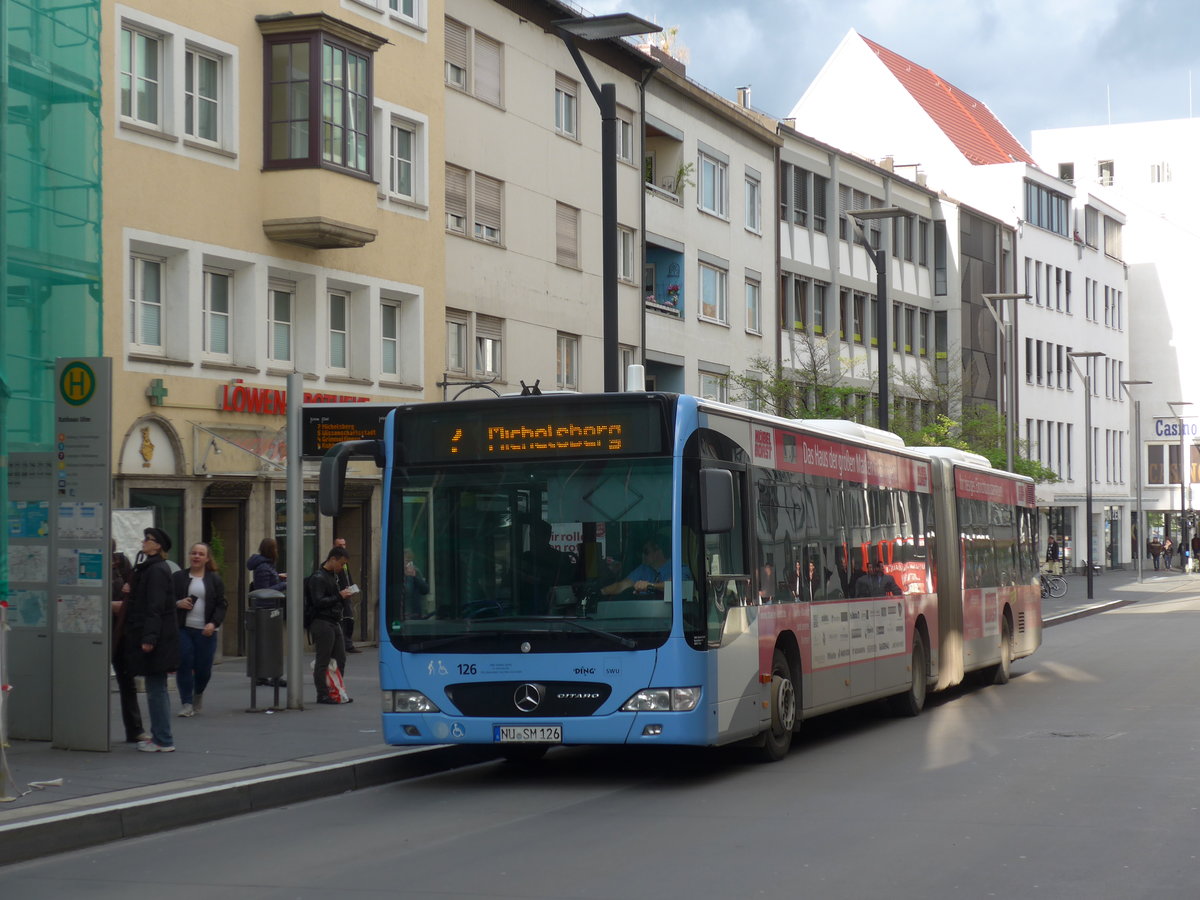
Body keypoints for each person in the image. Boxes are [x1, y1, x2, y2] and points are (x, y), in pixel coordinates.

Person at [124, 527, 181, 752]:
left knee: (156, 689)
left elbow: (154, 606)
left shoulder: (156, 570)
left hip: (158, 639)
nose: (143, 542)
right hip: (160, 636)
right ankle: (160, 736)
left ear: (157, 546)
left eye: (148, 540)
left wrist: (149, 637)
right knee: (156, 687)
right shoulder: (151, 568)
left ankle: (163, 740)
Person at [172, 542, 227, 717]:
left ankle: (198, 693)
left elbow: (221, 604)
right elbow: (166, 599)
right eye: (193, 553)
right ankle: (186, 703)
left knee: (203, 669)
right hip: (183, 628)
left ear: (207, 558)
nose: (196, 556)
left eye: (200, 554)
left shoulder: (214, 579)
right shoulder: (178, 577)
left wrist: (213, 623)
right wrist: (178, 603)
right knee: (184, 664)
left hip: (206, 631)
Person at [306, 546, 354, 705]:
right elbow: (318, 601)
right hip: (322, 621)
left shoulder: (334, 576)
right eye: (341, 564)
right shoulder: (318, 577)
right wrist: (339, 596)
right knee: (323, 659)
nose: (342, 567)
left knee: (340, 657)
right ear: (332, 559)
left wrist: (342, 595)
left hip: (333, 620)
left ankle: (337, 689)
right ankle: (323, 694)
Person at [110, 547, 148, 744]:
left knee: (127, 681)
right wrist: (109, 604)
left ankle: (134, 729)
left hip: (120, 632)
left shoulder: (122, 564)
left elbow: (135, 592)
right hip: (95, 631)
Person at [520, 520, 575, 609]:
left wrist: (538, 579)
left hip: (555, 611)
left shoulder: (560, 559)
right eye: (531, 535)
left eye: (537, 536)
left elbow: (566, 588)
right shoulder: (524, 558)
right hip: (524, 611)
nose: (533, 539)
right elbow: (511, 585)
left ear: (547, 537)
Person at [601, 534, 680, 596]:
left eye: (646, 552)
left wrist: (650, 586)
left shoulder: (678, 568)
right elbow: (621, 586)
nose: (643, 556)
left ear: (658, 551)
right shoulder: (643, 569)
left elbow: (675, 587)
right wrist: (603, 591)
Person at [331, 537, 360, 652]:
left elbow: (347, 575)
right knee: (342, 619)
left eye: (344, 545)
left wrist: (351, 586)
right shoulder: (334, 561)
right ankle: (342, 644)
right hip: (339, 595)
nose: (342, 547)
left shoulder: (344, 562)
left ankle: (348, 643)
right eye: (339, 545)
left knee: (349, 619)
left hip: (347, 592)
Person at [403, 547, 429, 616]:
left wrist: (414, 577)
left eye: (410, 561)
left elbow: (425, 590)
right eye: (407, 561)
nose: (409, 564)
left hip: (415, 614)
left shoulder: (416, 571)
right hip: (403, 613)